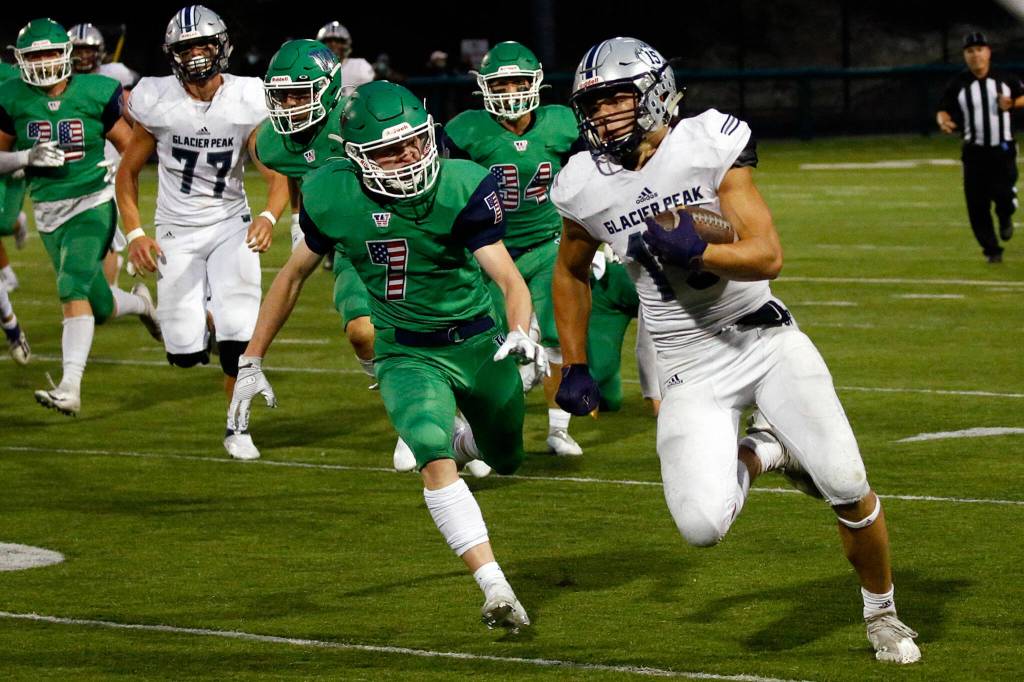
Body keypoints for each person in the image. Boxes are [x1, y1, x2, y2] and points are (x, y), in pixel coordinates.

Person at [550, 37, 921, 664]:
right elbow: (569, 270)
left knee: (848, 484)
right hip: (685, 363)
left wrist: (700, 251)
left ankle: (883, 613)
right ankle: (765, 449)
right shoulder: (584, 183)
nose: (605, 115)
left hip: (761, 335)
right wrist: (576, 361)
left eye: (617, 97)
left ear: (657, 93)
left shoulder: (708, 143)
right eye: (595, 103)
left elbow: (766, 254)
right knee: (701, 526)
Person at [228, 81, 544, 631]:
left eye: (414, 144)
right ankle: (494, 587)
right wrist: (250, 358)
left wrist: (520, 330)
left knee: (507, 456)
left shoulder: (461, 184)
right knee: (428, 447)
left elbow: (509, 278)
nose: (407, 159)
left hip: (475, 344)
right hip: (404, 352)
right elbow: (293, 273)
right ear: (354, 158)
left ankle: (465, 436)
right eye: (387, 151)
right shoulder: (333, 194)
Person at [116, 5, 288, 457]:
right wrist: (135, 234)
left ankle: (238, 426)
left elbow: (274, 173)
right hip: (176, 229)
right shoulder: (158, 100)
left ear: (221, 46)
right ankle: (198, 323)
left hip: (232, 223)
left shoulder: (247, 98)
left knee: (239, 327)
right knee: (185, 354)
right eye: (185, 47)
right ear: (170, 54)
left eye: (202, 45)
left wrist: (268, 217)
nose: (194, 56)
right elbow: (127, 173)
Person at [0, 18, 159, 415]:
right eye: (35, 55)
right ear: (21, 60)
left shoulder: (96, 92)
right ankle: (143, 305)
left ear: (67, 54)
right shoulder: (11, 97)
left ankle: (71, 386)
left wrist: (130, 200)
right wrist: (25, 157)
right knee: (100, 306)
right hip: (48, 211)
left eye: (52, 52)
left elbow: (130, 151)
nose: (44, 62)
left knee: (71, 286)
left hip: (93, 200)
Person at [445, 41, 585, 455]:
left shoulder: (561, 123)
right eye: (501, 84)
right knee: (487, 342)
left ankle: (559, 428)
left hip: (547, 243)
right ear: (485, 86)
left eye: (517, 83)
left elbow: (589, 176)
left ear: (535, 82)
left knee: (560, 332)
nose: (509, 93)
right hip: (489, 249)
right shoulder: (464, 129)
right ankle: (474, 429)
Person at [937, 31, 1024, 264]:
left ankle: (1005, 215)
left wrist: (1012, 103)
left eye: (979, 50)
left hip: (1002, 148)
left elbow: (1023, 96)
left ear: (988, 52)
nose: (975, 55)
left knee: (1003, 194)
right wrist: (943, 121)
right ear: (965, 56)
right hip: (974, 151)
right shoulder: (958, 84)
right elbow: (943, 108)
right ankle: (992, 250)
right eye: (969, 51)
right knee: (977, 204)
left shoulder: (1006, 79)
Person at [68, 23, 140, 287]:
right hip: (78, 165)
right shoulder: (61, 81)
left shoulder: (114, 75)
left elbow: (135, 105)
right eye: (78, 50)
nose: (84, 56)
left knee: (105, 232)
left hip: (111, 161)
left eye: (89, 50)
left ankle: (108, 292)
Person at [314, 20, 377, 272]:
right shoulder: (313, 69)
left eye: (337, 42)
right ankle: (329, 248)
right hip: (324, 139)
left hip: (359, 138)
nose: (333, 47)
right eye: (328, 43)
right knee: (327, 192)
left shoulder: (360, 68)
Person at [0, 59, 29, 292]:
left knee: (3, 224)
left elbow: (24, 114)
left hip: (10, 158)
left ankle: (16, 221)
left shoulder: (9, 77)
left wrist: (21, 154)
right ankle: (8, 275)